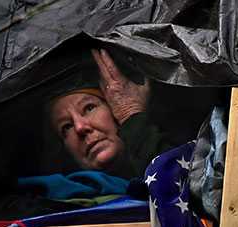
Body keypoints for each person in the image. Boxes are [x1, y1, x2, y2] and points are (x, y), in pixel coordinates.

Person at [48, 49, 176, 178]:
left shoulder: (193, 158)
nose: (80, 127)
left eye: (89, 108)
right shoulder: (53, 195)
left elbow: (180, 183)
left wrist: (130, 115)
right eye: (66, 127)